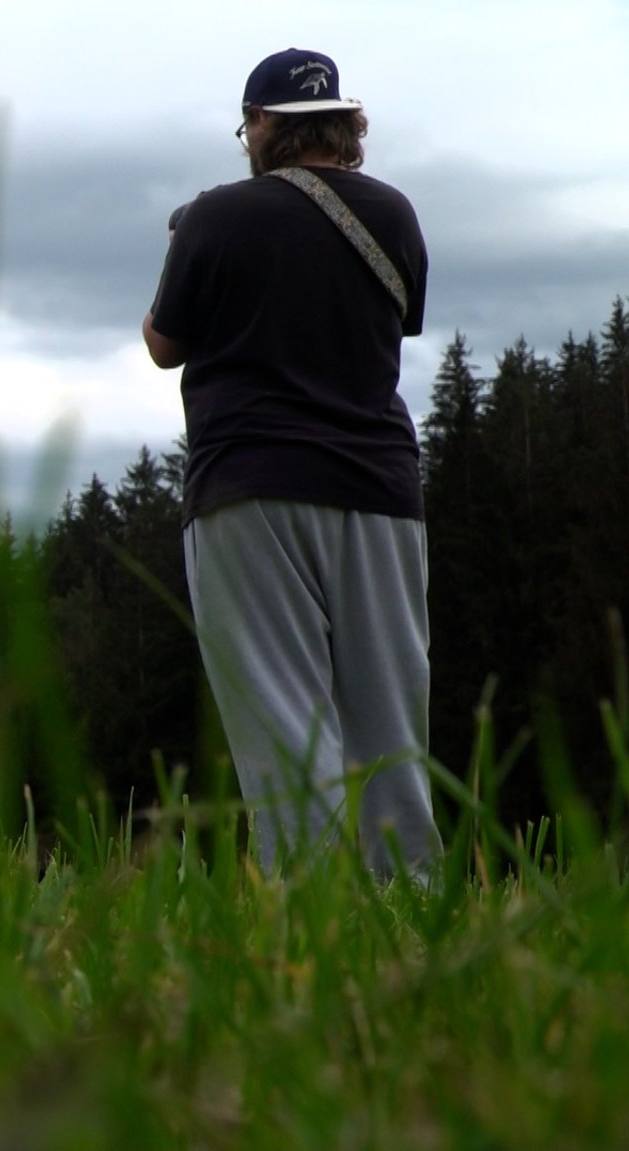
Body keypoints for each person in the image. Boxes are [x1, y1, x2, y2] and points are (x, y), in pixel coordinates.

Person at [142, 48, 442, 878]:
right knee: (389, 720)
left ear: (263, 125)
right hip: (381, 484)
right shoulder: (396, 213)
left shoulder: (216, 216)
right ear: (344, 122)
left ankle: (310, 914)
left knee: (283, 717)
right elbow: (402, 321)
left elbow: (164, 344)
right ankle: (409, 899)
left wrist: (183, 248)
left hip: (250, 484)